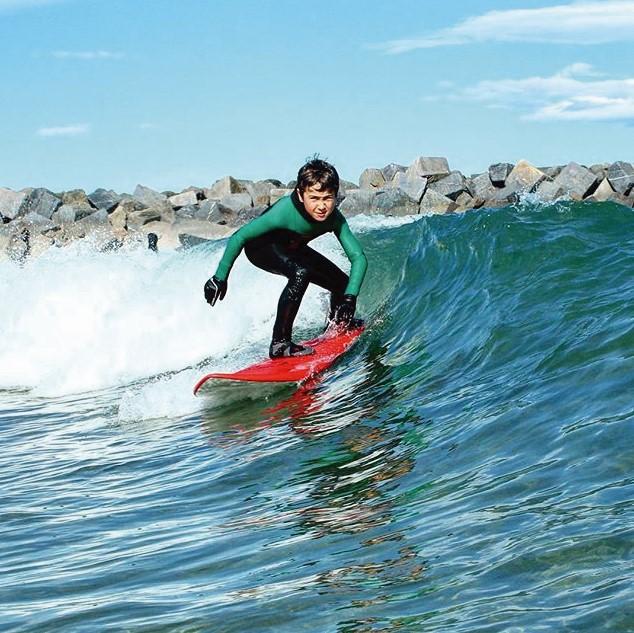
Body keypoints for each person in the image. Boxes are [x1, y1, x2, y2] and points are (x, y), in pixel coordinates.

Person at [204, 158, 368, 358]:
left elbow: (358, 257)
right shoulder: (284, 211)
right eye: (314, 198)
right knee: (302, 272)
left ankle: (338, 324)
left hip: (293, 248)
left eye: (328, 198)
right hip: (260, 247)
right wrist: (219, 277)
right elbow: (240, 236)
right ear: (300, 194)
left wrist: (350, 298)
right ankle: (280, 343)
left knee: (343, 284)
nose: (322, 206)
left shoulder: (335, 219)